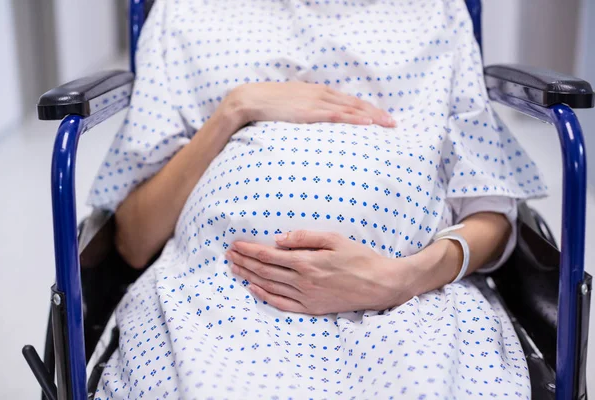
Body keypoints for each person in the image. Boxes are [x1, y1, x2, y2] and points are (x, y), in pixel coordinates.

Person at [90, 0, 545, 398]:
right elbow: (134, 239)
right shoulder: (183, 13)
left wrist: (403, 279)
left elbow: (489, 206)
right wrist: (237, 108)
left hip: (413, 304)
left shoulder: (434, 11)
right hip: (211, 299)